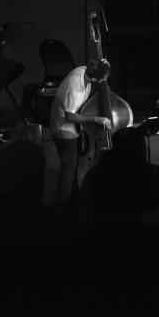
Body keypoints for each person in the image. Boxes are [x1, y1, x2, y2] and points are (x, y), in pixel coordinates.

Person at [49, 58, 112, 207]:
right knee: (69, 171)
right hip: (63, 129)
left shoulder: (85, 71)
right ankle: (62, 206)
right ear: (95, 79)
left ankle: (74, 203)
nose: (103, 83)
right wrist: (95, 119)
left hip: (71, 126)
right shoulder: (74, 87)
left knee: (74, 167)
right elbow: (69, 116)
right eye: (102, 80)